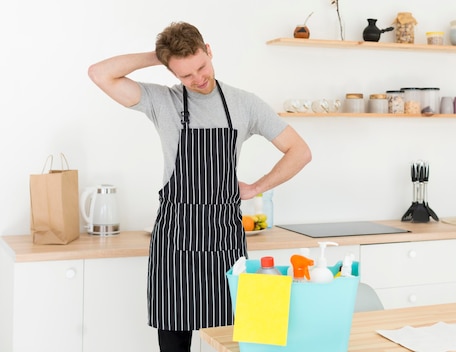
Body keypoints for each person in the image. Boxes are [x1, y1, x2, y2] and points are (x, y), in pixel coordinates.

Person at [88, 22, 311, 352]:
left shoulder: (244, 104)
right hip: (174, 239)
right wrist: (159, 57)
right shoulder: (162, 101)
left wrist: (256, 188)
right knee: (175, 341)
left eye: (201, 67)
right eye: (185, 75)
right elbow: (99, 73)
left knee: (233, 338)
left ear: (209, 50)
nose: (198, 79)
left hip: (224, 238)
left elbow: (300, 151)